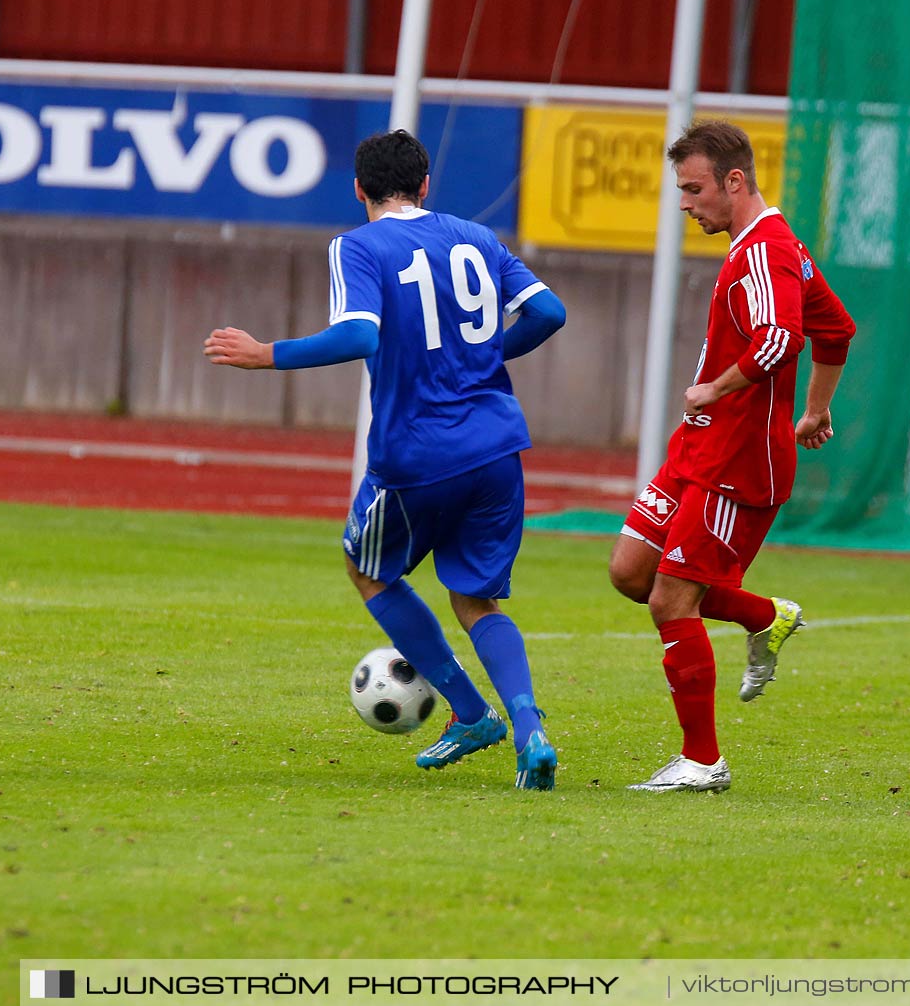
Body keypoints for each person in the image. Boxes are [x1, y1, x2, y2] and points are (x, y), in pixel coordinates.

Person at [205, 129, 568, 790]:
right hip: (497, 444)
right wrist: (484, 358)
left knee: (365, 567)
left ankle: (469, 710)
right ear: (426, 184)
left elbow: (359, 333)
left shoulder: (358, 244)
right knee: (477, 600)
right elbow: (549, 311)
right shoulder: (476, 237)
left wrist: (268, 354)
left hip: (419, 452)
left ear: (358, 189)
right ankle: (530, 728)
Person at [608, 120, 855, 793]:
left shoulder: (766, 253)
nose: (685, 203)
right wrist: (817, 409)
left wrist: (716, 388)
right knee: (632, 572)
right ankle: (764, 615)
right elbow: (837, 327)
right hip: (697, 447)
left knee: (669, 600)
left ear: (734, 181)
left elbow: (783, 339)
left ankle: (702, 760)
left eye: (693, 189)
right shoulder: (768, 245)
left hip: (737, 459)